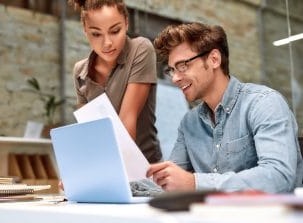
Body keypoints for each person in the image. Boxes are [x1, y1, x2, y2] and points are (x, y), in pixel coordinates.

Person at [147, 22, 303, 193]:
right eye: (171, 70)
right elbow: (170, 181)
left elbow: (279, 176)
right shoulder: (189, 123)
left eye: (183, 66)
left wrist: (195, 183)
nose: (175, 78)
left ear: (214, 59)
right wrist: (128, 184)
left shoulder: (264, 103)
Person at [69, 0, 162, 163]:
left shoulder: (140, 49)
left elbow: (127, 121)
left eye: (115, 31)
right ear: (85, 29)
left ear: (126, 23)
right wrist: (80, 170)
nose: (107, 43)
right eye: (96, 34)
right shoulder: (80, 72)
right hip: (107, 168)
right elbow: (88, 133)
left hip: (147, 169)